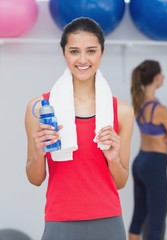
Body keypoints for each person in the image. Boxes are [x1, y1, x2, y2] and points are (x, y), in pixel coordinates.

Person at [25, 17, 134, 240]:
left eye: (91, 51)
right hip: (60, 221)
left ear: (102, 53)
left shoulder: (121, 111)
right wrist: (38, 153)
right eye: (74, 51)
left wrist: (113, 159)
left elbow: (121, 182)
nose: (82, 59)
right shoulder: (40, 108)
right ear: (63, 52)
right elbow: (35, 179)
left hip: (108, 221)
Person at [128, 60, 167, 240]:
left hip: (140, 161)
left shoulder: (138, 103)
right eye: (162, 74)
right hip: (155, 164)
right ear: (157, 77)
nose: (163, 77)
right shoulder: (160, 110)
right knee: (156, 216)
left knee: (139, 215)